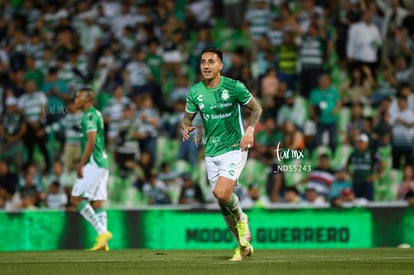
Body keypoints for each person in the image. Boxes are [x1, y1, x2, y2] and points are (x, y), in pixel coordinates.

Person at [182, 47, 262, 261]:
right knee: (221, 200)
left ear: (220, 65)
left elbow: (256, 108)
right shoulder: (195, 92)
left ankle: (241, 217)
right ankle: (242, 246)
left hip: (235, 147)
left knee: (221, 193)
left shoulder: (234, 87)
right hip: (211, 152)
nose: (206, 66)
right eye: (202, 62)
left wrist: (250, 130)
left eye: (211, 62)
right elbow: (187, 117)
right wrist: (188, 126)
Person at [70, 87, 112, 251]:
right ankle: (103, 243)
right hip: (102, 162)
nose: (75, 99)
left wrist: (81, 164)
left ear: (87, 99)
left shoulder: (89, 116)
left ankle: (102, 232)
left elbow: (91, 141)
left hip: (93, 163)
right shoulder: (96, 114)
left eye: (78, 96)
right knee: (97, 202)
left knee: (76, 199)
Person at [346, 133, 386, 201]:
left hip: (367, 182)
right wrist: (350, 175)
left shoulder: (372, 153)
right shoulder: (354, 153)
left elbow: (383, 163)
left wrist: (377, 176)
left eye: (362, 142)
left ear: (366, 143)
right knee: (356, 201)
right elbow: (347, 164)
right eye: (359, 142)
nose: (360, 144)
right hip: (356, 181)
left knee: (369, 201)